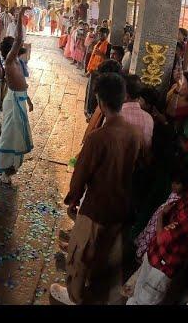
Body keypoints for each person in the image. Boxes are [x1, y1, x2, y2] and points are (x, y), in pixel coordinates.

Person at [50, 73, 144, 305]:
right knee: (103, 253)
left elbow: (81, 175)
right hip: (121, 205)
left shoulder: (98, 137)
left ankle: (75, 296)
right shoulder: (135, 133)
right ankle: (93, 291)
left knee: (80, 254)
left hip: (96, 206)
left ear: (100, 102)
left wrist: (73, 198)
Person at [127, 150, 188, 305]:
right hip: (158, 260)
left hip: (162, 266)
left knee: (141, 301)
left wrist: (161, 216)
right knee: (136, 298)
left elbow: (163, 239)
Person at [0, 8, 34, 185]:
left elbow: (22, 84)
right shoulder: (9, 61)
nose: (19, 47)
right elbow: (18, 39)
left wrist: (29, 100)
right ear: (10, 50)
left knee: (16, 137)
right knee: (9, 137)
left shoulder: (16, 61)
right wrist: (19, 17)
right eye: (15, 47)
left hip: (20, 99)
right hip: (13, 101)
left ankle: (8, 169)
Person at [121, 74, 154, 153]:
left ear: (125, 95)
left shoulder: (117, 115)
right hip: (138, 163)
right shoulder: (148, 118)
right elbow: (147, 147)